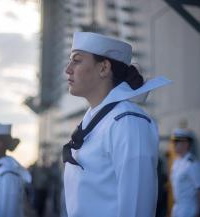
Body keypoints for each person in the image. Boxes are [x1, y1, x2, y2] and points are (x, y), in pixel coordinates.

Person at [63, 32, 171, 217]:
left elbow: (137, 208)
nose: (68, 69)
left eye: (77, 60)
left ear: (104, 68)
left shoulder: (128, 122)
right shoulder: (96, 120)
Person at [170, 128, 200, 217]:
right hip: (176, 207)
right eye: (174, 142)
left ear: (186, 144)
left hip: (188, 208)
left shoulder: (192, 164)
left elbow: (199, 189)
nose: (174, 144)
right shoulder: (176, 162)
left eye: (177, 141)